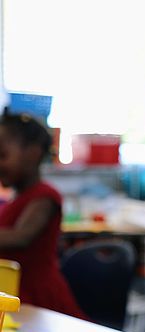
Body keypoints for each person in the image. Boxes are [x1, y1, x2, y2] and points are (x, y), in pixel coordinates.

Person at [0, 110, 86, 319]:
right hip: (14, 295)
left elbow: (21, 237)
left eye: (2, 155)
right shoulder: (14, 199)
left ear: (33, 154)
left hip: (38, 301)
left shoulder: (45, 196)